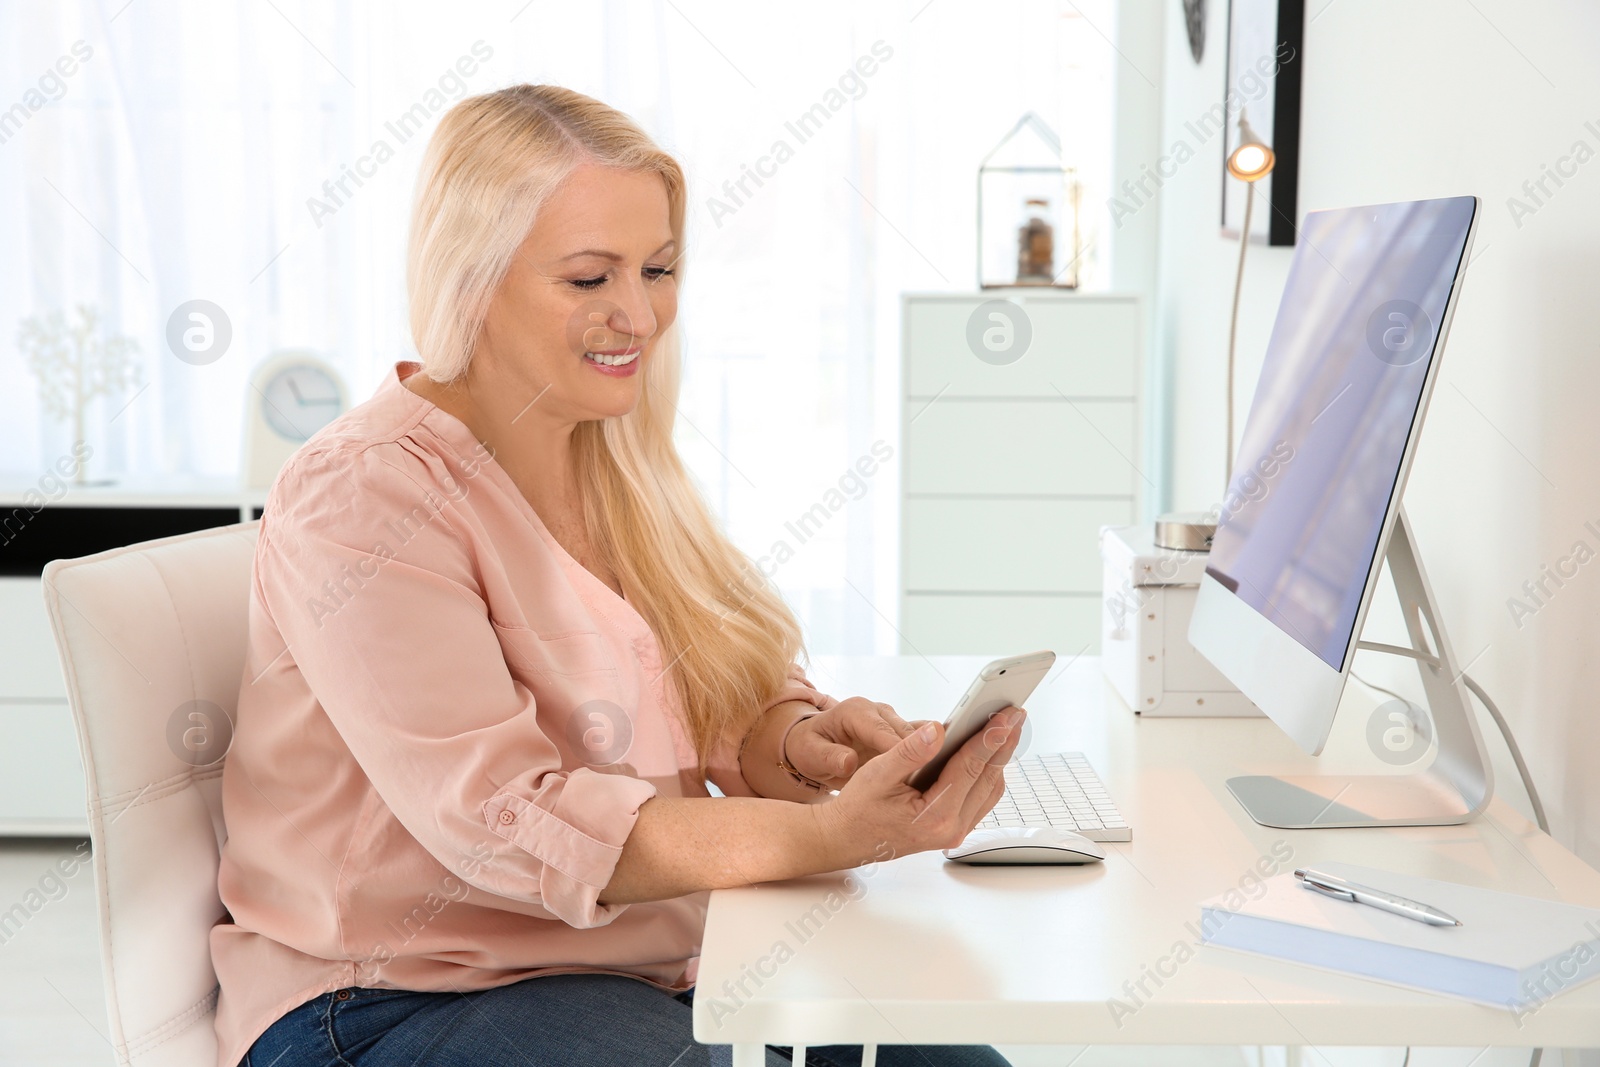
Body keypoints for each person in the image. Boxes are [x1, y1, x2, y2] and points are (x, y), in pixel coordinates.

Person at [212, 84, 1023, 1067]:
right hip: (392, 995)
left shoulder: (612, 455)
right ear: (473, 279)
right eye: (590, 277)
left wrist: (801, 745)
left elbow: (706, 702)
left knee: (957, 1059)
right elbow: (502, 818)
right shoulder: (367, 494)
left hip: (637, 968)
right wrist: (828, 838)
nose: (637, 313)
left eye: (658, 268)